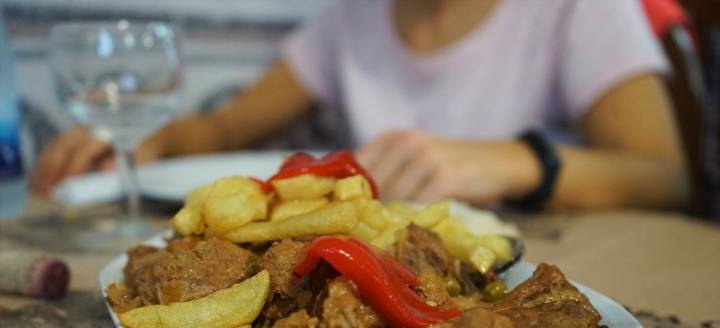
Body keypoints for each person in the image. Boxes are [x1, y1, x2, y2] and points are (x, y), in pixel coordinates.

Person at [32, 0, 689, 210]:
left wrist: (517, 162)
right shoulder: (355, 16)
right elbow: (230, 125)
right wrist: (153, 142)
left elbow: (666, 178)